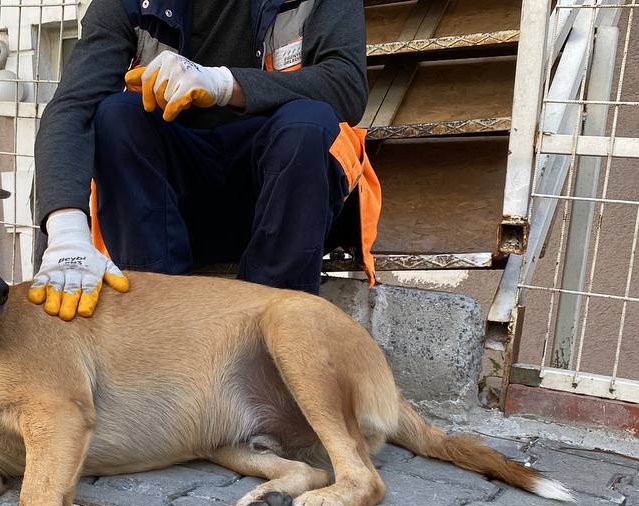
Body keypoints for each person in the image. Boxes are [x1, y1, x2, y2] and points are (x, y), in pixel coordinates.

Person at [27, 0, 378, 321]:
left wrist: (225, 83)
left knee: (309, 123)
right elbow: (73, 108)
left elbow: (346, 83)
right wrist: (67, 232)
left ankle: (273, 330)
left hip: (289, 206)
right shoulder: (131, 3)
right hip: (172, 213)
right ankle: (160, 323)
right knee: (116, 116)